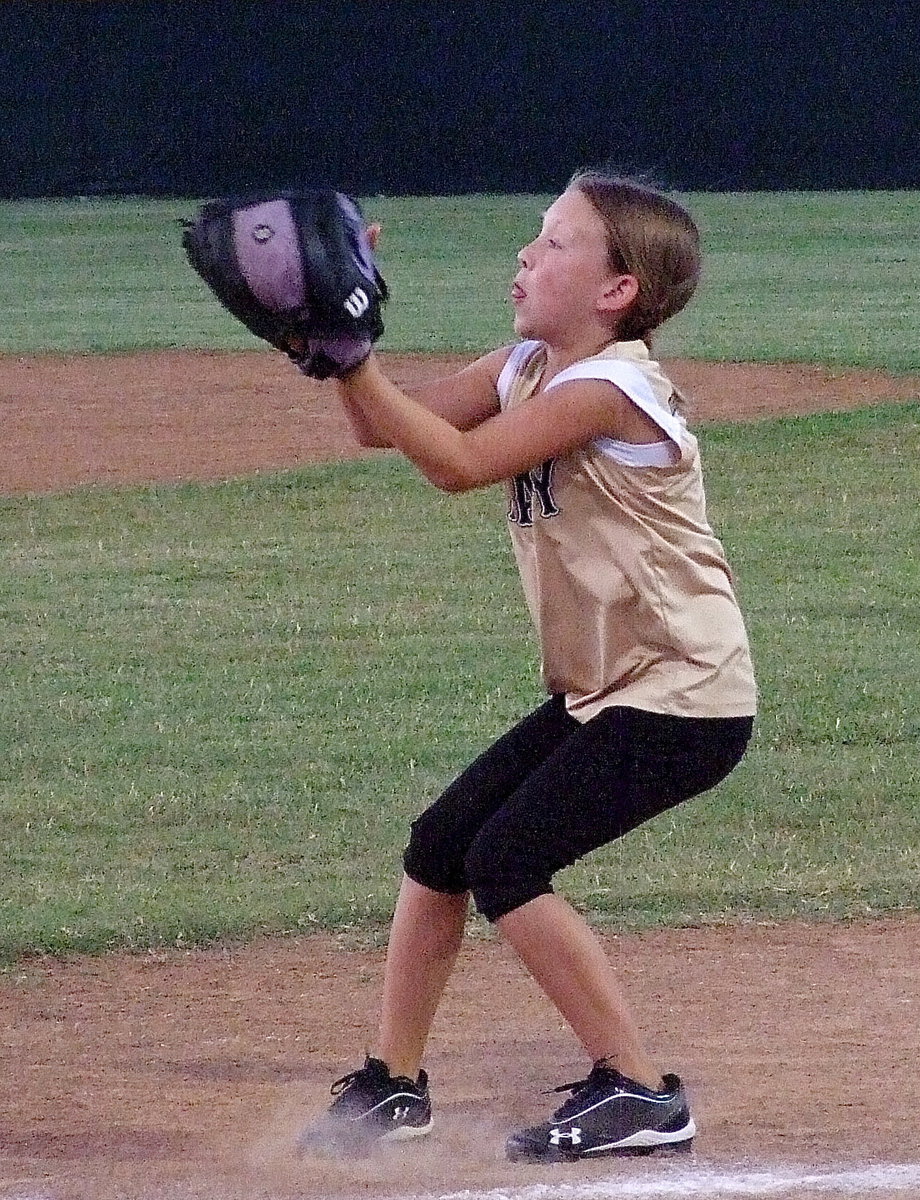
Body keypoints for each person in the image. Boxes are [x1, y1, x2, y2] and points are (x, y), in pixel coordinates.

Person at [300, 171, 757, 1164]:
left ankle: (638, 1091)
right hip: (611, 691)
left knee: (506, 859)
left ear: (615, 292)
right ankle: (391, 1087)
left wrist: (348, 351)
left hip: (685, 695)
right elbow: (379, 425)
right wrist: (344, 356)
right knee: (442, 846)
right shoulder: (526, 365)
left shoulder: (611, 388)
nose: (525, 254)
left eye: (555, 243)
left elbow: (458, 466)